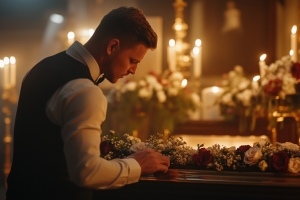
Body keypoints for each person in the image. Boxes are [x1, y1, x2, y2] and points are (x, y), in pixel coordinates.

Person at [6, 6, 172, 200]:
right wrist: (138, 165)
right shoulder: (84, 90)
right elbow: (87, 172)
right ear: (112, 46)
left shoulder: (40, 68)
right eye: (132, 60)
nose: (133, 70)